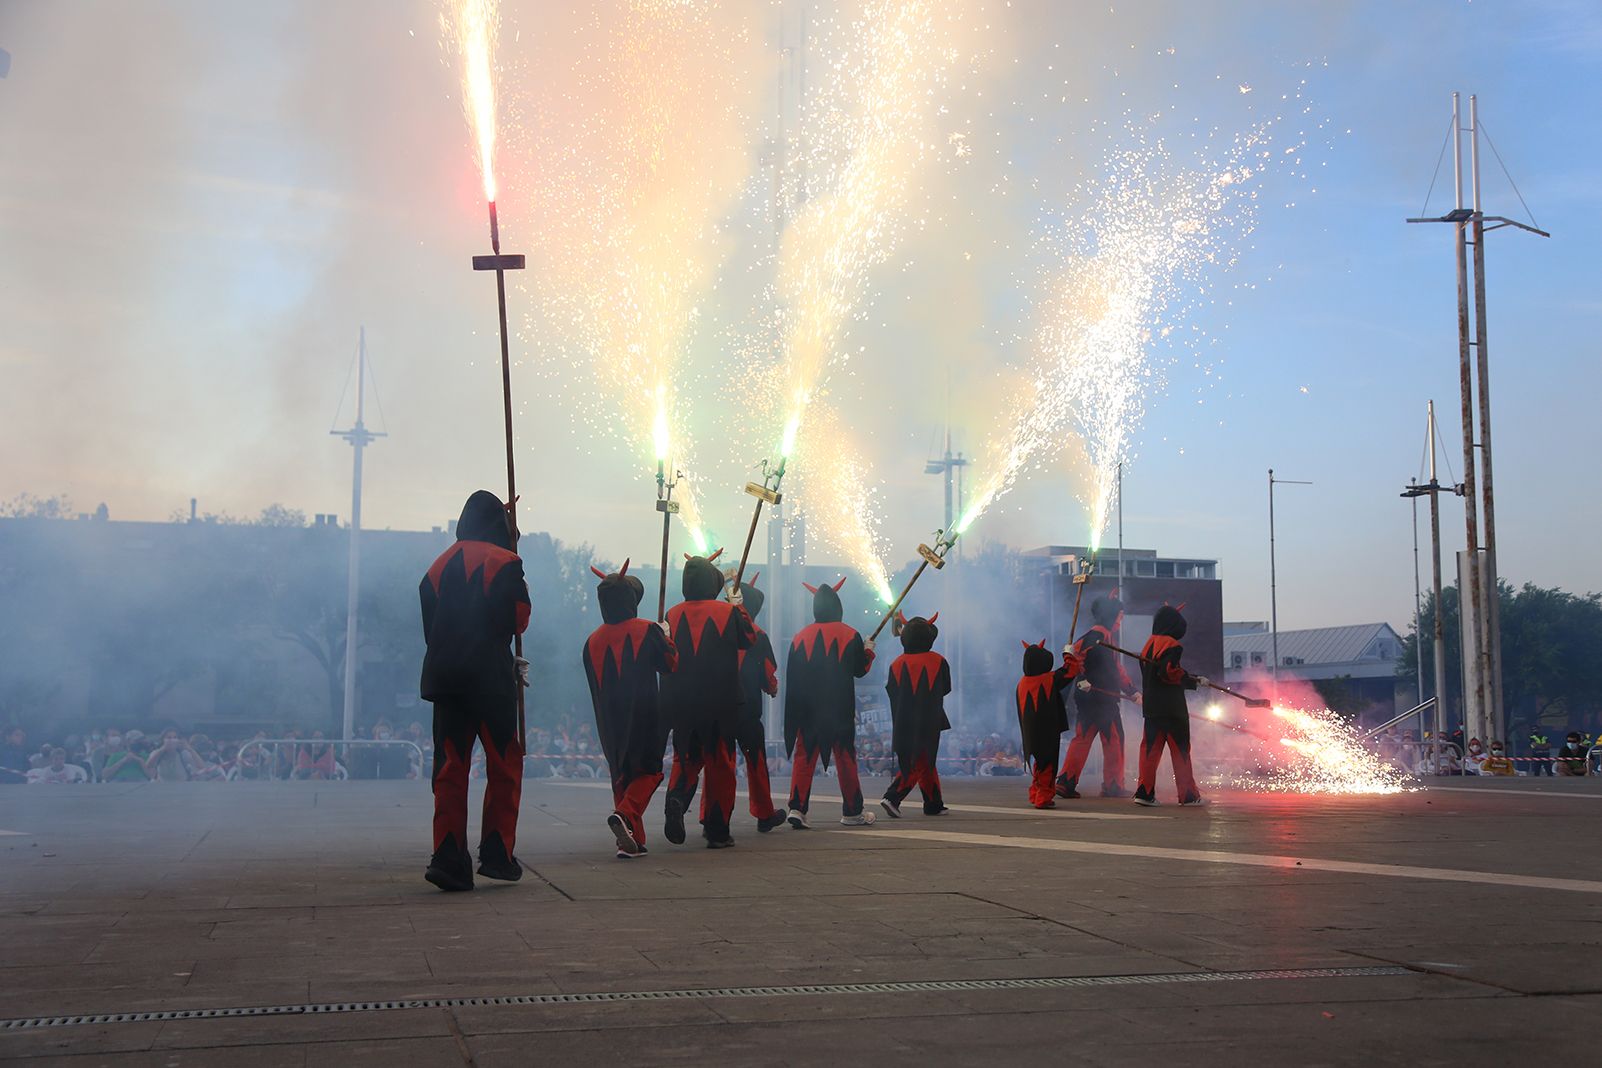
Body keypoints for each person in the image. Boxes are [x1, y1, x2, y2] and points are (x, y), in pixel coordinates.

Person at [419, 490, 531, 892]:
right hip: (489, 678)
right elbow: (519, 618)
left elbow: (431, 627)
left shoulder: (436, 566)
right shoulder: (506, 561)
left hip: (446, 678)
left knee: (450, 767)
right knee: (504, 764)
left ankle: (448, 857)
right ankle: (498, 854)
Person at [580, 559, 678, 859]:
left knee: (621, 775)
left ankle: (630, 841)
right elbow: (671, 664)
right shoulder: (646, 629)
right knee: (649, 771)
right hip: (645, 712)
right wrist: (666, 636)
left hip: (608, 720)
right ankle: (625, 814)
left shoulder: (591, 641)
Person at [659, 550, 755, 849]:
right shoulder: (726, 612)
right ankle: (717, 830)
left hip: (682, 701)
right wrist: (739, 608)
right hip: (721, 700)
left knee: (685, 758)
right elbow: (748, 639)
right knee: (720, 764)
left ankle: (676, 799)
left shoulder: (672, 613)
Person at [784, 578, 876, 829]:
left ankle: (797, 808)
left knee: (804, 755)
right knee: (845, 757)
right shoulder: (850, 634)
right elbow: (859, 670)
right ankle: (852, 811)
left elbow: (791, 677)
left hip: (806, 709)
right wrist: (868, 651)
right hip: (838, 708)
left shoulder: (799, 637)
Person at [1058, 597, 1137, 799]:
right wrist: (1130, 690)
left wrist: (1131, 690)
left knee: (1082, 739)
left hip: (1087, 699)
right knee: (1114, 740)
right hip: (1103, 701)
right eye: (1119, 617)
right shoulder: (1099, 638)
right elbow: (1075, 658)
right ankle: (1113, 785)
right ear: (1110, 616)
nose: (1120, 621)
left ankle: (1066, 781)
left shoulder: (1093, 637)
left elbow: (1071, 654)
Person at [729, 574, 788, 834]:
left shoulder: (718, 629)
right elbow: (768, 675)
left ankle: (712, 816)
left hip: (719, 708)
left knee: (720, 764)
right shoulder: (759, 635)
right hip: (749, 712)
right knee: (756, 764)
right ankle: (764, 813)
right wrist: (772, 689)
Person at [880, 613, 953, 818]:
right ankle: (892, 797)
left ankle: (933, 804)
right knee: (919, 761)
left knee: (924, 761)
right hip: (929, 719)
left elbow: (891, 691)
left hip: (903, 720)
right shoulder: (939, 660)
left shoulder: (896, 663)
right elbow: (946, 688)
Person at [1133, 604, 1204, 807]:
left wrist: (1190, 679)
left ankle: (1144, 792)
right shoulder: (1172, 645)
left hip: (1152, 707)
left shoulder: (1147, 645)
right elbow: (1169, 672)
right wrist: (1193, 680)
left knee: (1149, 750)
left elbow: (1158, 673)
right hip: (1172, 709)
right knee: (1180, 750)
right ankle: (1188, 795)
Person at [1015, 638, 1083, 809]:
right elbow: (1070, 671)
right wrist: (1068, 655)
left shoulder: (1021, 683)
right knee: (1048, 765)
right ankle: (1042, 798)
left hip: (1029, 732)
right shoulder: (1047, 679)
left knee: (1040, 764)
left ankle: (1035, 793)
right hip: (1047, 730)